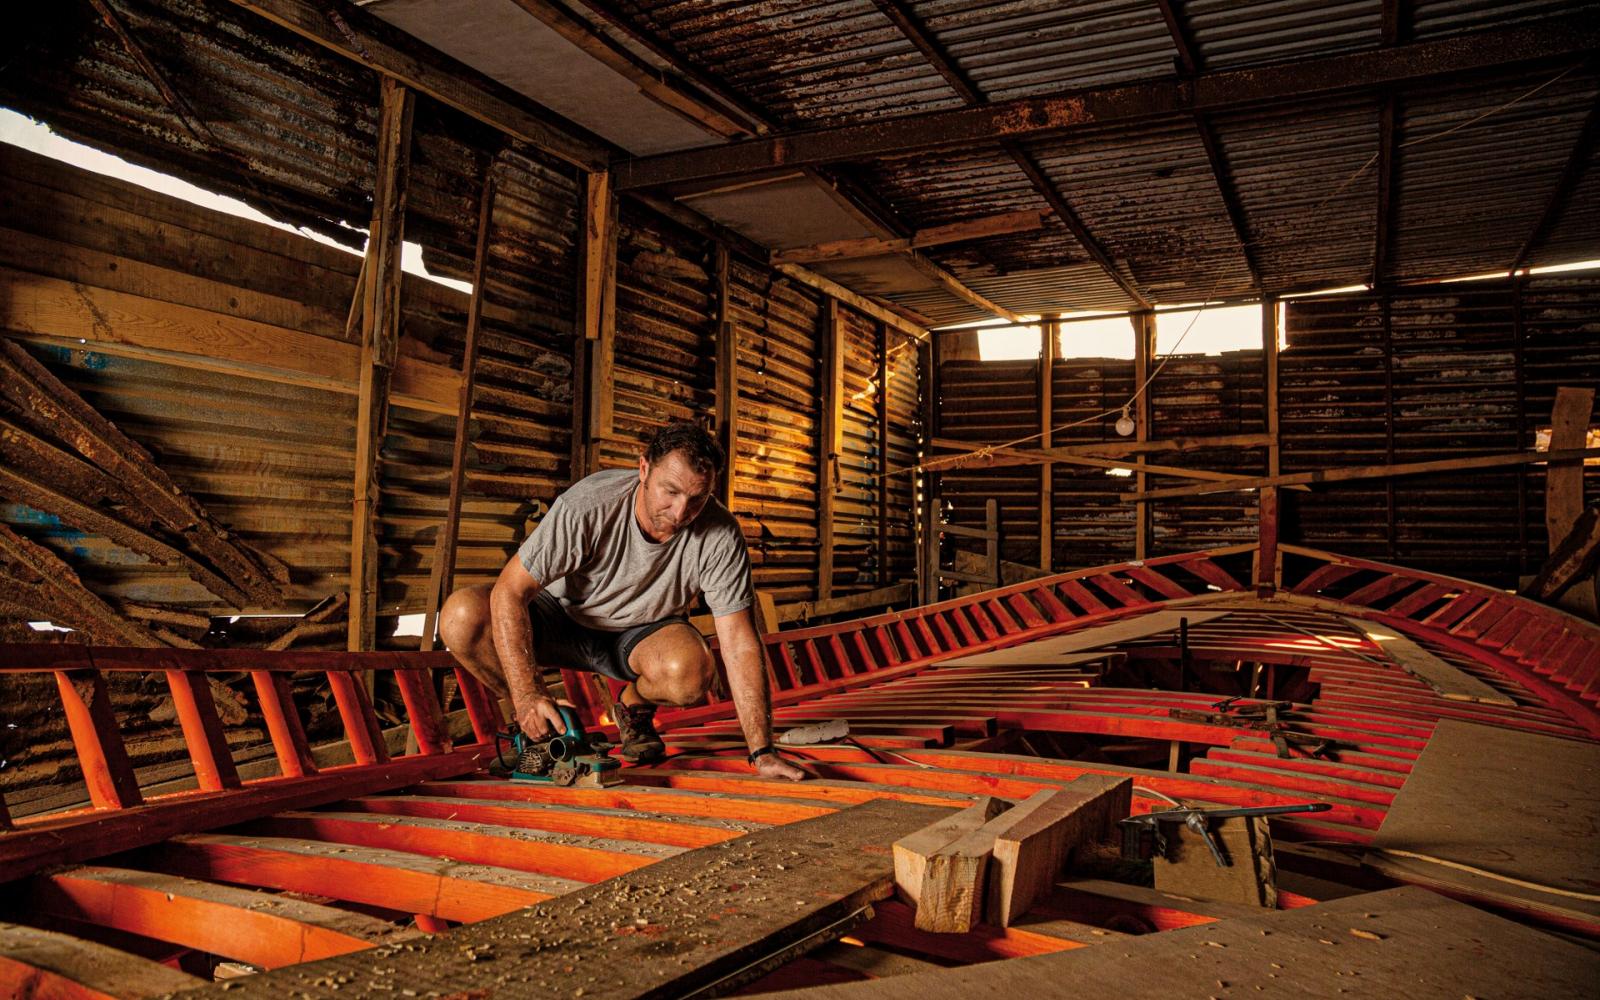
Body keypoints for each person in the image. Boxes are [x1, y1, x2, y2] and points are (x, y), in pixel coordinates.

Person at [439, 420, 808, 782]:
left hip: (639, 634)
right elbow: (510, 591)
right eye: (671, 491)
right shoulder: (587, 505)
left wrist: (762, 752)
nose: (680, 513)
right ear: (644, 468)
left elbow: (740, 643)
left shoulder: (720, 533)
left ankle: (633, 706)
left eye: (697, 498)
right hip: (560, 618)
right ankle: (536, 726)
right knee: (461, 615)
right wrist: (526, 694)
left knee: (692, 673)